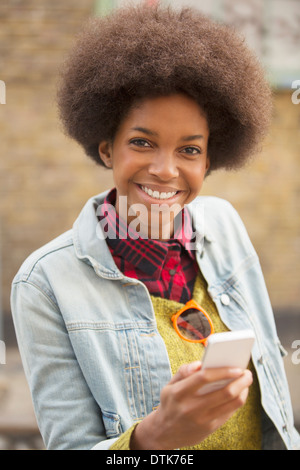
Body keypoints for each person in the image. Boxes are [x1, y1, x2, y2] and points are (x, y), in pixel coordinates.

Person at [10, 4, 300, 450]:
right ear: (107, 149)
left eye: (189, 150)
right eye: (142, 142)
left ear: (210, 158)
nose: (165, 170)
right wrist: (156, 437)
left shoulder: (225, 224)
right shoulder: (45, 283)